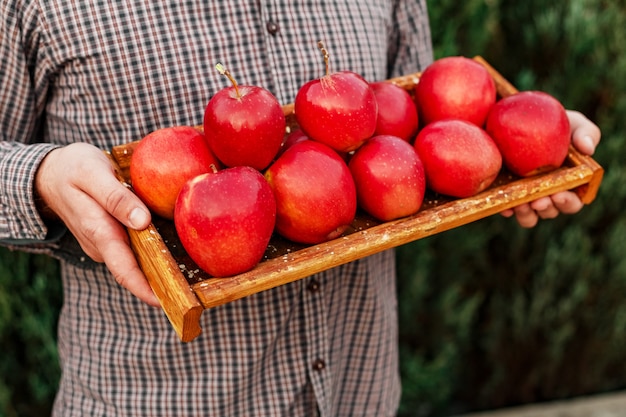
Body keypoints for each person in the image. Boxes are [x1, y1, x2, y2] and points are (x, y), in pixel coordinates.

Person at [0, 1, 601, 416]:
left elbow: (418, 119)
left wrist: (523, 148)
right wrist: (41, 176)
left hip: (359, 389)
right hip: (164, 397)